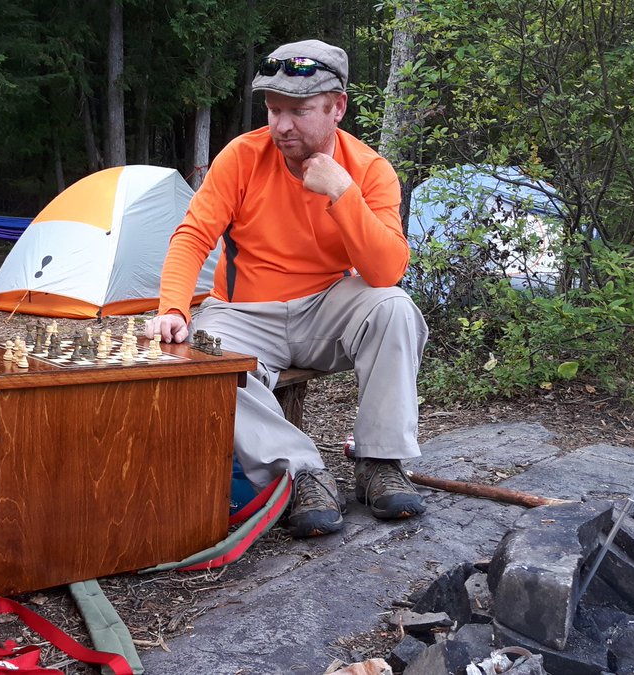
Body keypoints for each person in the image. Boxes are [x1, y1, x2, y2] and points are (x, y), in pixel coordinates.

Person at [145, 40, 428, 537]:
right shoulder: (243, 156)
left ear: (337, 106)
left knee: (393, 308)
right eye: (274, 110)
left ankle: (379, 462)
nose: (282, 125)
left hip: (327, 312)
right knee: (200, 361)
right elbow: (192, 236)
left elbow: (386, 271)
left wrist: (342, 193)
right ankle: (301, 472)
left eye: (298, 111)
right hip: (244, 313)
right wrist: (172, 307)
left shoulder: (370, 170)